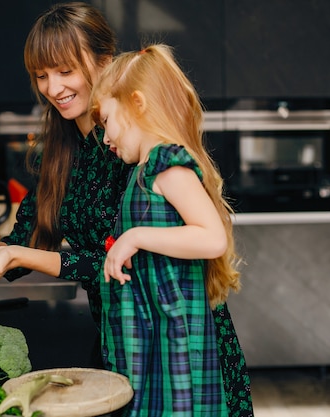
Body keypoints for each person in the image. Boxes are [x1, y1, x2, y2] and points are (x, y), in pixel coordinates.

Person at [0, 2, 129, 358]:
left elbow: (119, 263)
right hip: (112, 333)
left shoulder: (128, 143)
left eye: (65, 70)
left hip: (168, 337)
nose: (53, 88)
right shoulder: (59, 151)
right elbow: (27, 240)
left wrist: (15, 256)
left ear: (105, 61)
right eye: (42, 75)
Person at [89, 44, 253, 416]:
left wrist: (135, 237)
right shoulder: (142, 172)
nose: (105, 137)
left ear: (137, 104)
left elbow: (213, 238)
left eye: (107, 121)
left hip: (174, 338)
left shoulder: (167, 165)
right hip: (153, 337)